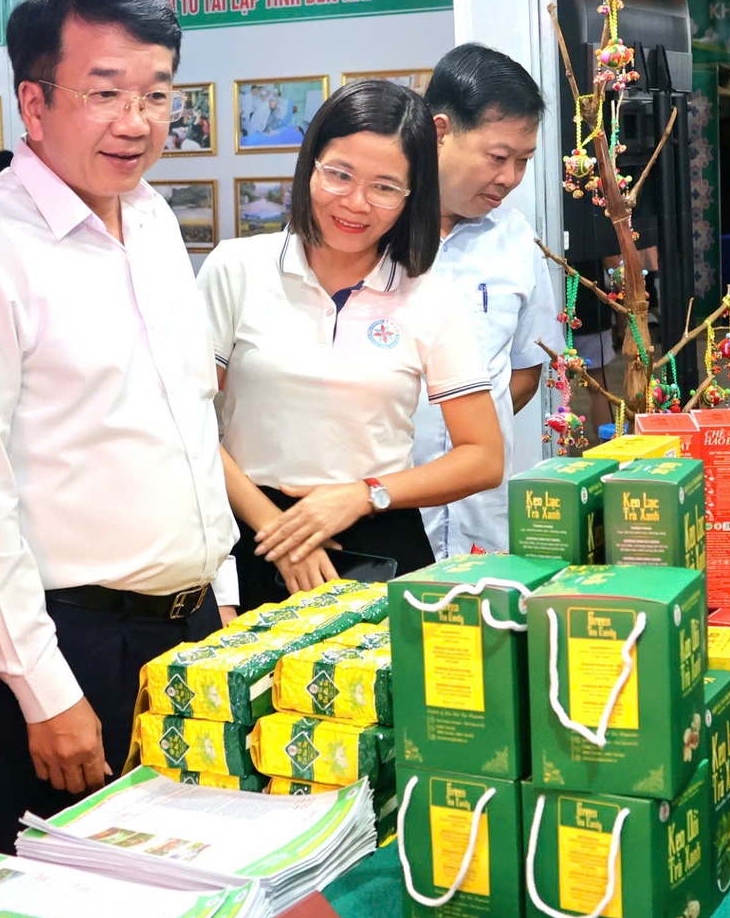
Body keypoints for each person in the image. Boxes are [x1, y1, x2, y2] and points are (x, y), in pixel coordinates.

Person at [0, 0, 237, 852]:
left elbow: (187, 421)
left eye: (158, 93)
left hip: (193, 629)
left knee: (205, 893)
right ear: (34, 103)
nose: (138, 121)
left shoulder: (156, 219)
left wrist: (227, 599)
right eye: (106, 92)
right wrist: (40, 686)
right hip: (75, 643)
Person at [200, 80, 503, 608]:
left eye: (385, 187)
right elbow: (190, 421)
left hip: (379, 538)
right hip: (252, 535)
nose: (355, 203)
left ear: (412, 197)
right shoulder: (237, 267)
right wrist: (280, 530)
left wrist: (365, 494)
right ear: (310, 164)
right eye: (339, 174)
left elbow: (483, 457)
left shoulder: (428, 295)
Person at [408, 43, 562, 557]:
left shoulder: (517, 241)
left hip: (485, 518)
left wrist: (469, 435)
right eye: (498, 158)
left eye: (524, 161)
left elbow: (524, 372)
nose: (510, 179)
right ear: (440, 131)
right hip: (392, 515)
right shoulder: (372, 234)